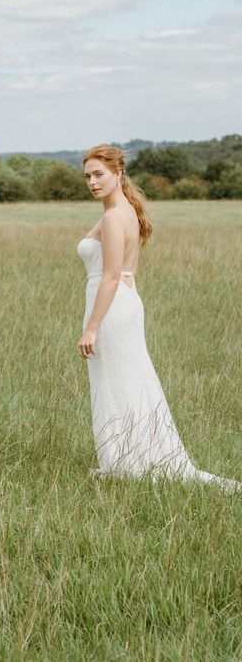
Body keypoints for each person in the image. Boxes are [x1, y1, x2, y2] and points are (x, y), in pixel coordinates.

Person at [77, 145, 239, 489]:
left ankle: (130, 461)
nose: (92, 182)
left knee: (119, 383)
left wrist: (90, 328)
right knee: (125, 382)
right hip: (123, 303)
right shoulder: (121, 210)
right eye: (88, 176)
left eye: (99, 174)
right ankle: (126, 456)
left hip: (111, 308)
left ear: (118, 173)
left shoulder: (112, 215)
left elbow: (109, 276)